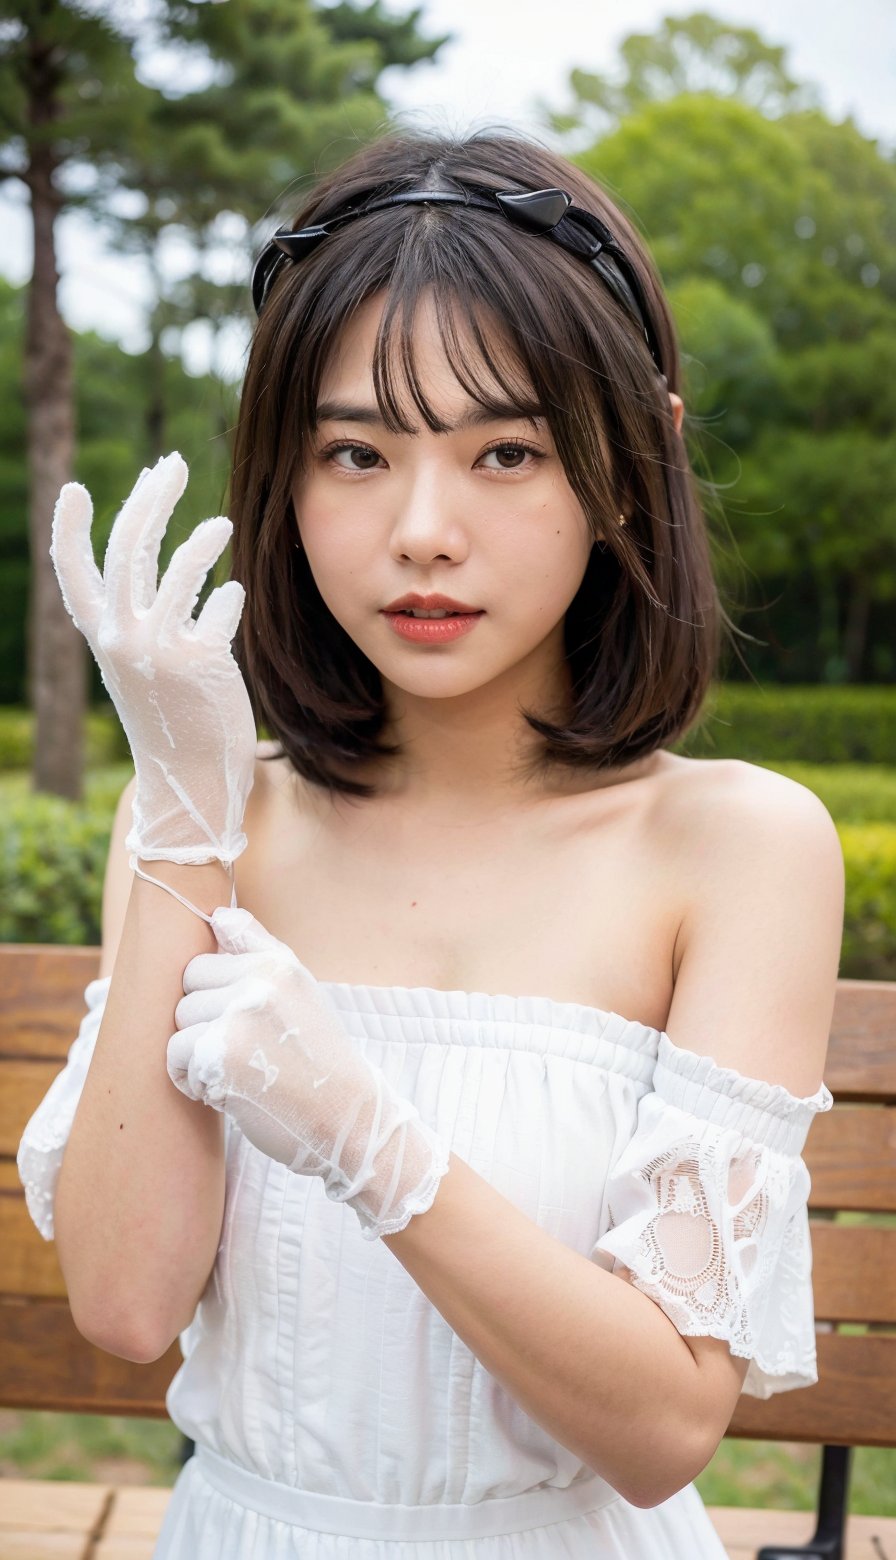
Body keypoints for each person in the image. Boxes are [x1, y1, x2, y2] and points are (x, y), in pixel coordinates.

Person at [18, 126, 845, 1559]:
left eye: (506, 452)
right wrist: (180, 819)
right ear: (284, 476)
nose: (421, 531)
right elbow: (126, 1309)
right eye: (356, 451)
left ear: (629, 464)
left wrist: (367, 1138)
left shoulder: (736, 848)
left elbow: (662, 1431)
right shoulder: (216, 829)